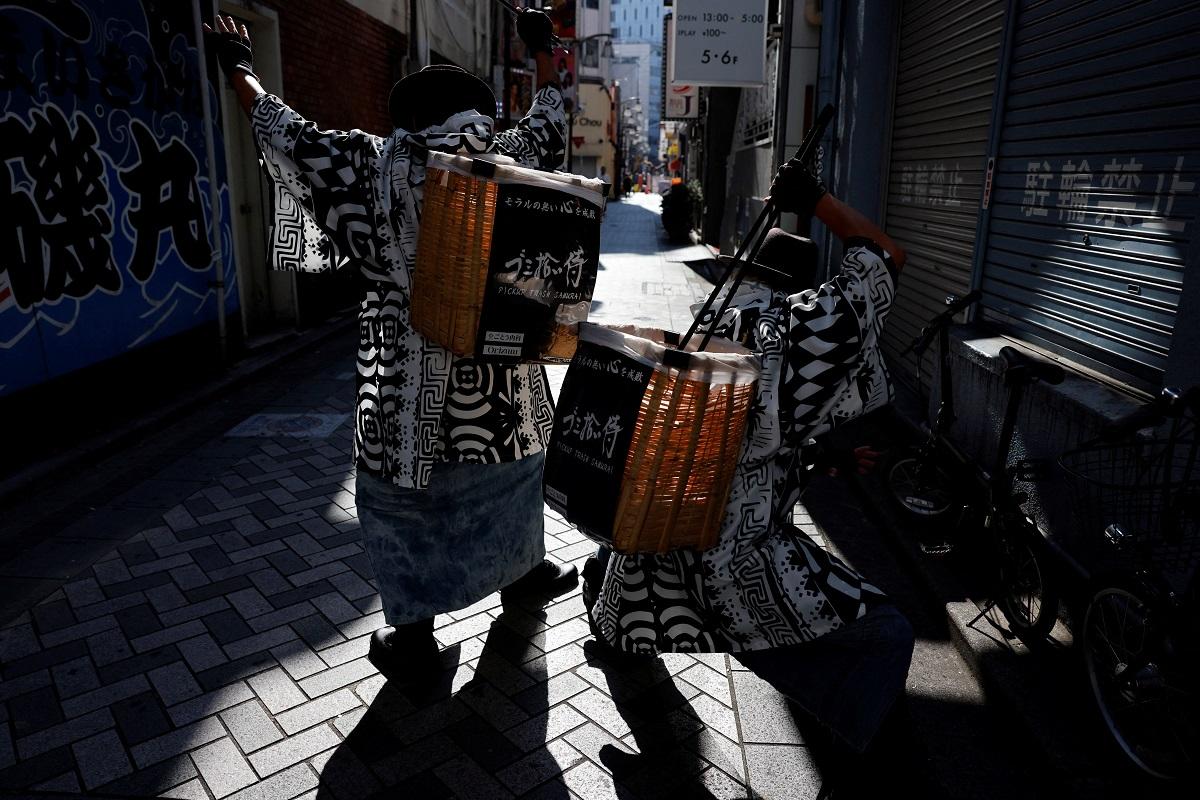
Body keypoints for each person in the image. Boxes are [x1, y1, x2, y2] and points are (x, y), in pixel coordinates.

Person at [205, 10, 577, 686]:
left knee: (405, 505)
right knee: (515, 479)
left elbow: (282, 130)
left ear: (404, 119)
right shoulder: (511, 160)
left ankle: (413, 635)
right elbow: (553, 111)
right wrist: (543, 50)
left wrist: (240, 67)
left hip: (402, 392)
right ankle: (525, 576)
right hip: (502, 390)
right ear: (478, 113)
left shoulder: (365, 164)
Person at [582, 162, 914, 787]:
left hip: (661, 535)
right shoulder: (798, 332)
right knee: (886, 634)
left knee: (632, 600)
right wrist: (818, 201)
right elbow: (886, 256)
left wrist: (823, 458)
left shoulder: (706, 324)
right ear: (802, 285)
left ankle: (640, 693)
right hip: (737, 562)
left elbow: (744, 442)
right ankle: (858, 764)